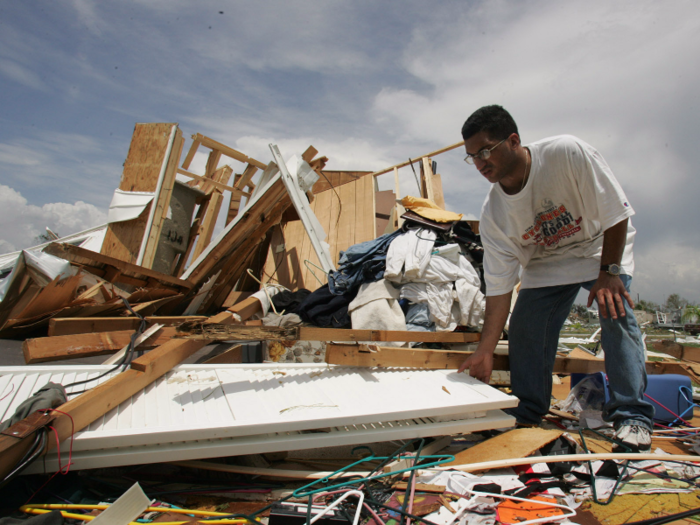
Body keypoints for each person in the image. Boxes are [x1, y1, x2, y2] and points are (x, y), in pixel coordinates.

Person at [457, 105, 654, 452]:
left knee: (615, 311)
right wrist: (485, 350)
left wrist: (609, 274)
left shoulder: (566, 153)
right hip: (547, 260)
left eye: (485, 150)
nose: (480, 162)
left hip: (599, 248)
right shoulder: (494, 213)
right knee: (526, 327)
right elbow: (500, 288)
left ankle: (633, 417)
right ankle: (528, 410)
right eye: (472, 156)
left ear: (513, 140)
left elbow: (616, 212)